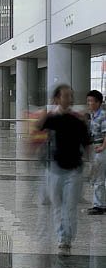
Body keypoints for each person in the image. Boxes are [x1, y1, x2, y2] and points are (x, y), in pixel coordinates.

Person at [37, 83, 91, 252]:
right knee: (58, 205)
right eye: (66, 95)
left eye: (71, 95)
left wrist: (91, 164)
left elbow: (87, 143)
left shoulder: (78, 120)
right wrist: (48, 109)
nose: (70, 99)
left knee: (70, 206)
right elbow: (38, 126)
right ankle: (62, 236)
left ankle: (66, 239)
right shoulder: (52, 118)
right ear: (58, 98)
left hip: (74, 170)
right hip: (55, 168)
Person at [84, 89, 105, 215]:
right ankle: (102, 203)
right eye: (88, 101)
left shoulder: (102, 115)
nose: (89, 103)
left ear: (99, 102)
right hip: (96, 147)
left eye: (92, 101)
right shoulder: (93, 115)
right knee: (100, 177)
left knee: (98, 177)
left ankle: (99, 206)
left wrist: (102, 147)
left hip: (100, 148)